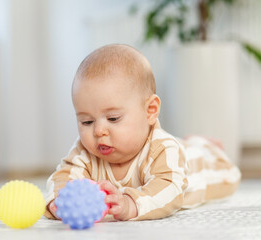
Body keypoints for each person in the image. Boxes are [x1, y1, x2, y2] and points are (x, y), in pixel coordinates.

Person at [44, 44, 241, 221]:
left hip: (201, 167)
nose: (98, 131)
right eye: (86, 121)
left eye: (113, 119)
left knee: (222, 169)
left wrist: (131, 203)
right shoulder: (84, 152)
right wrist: (58, 201)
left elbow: (169, 189)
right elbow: (63, 177)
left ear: (150, 111)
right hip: (178, 149)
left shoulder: (162, 149)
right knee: (183, 146)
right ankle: (192, 142)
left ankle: (204, 144)